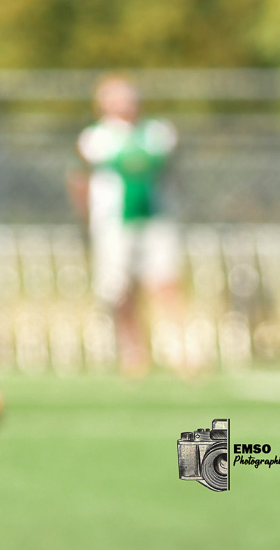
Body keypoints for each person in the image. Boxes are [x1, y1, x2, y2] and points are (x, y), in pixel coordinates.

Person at [78, 74, 185, 375]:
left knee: (165, 283)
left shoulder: (157, 132)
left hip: (155, 218)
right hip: (114, 223)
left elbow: (162, 163)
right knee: (120, 290)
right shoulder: (96, 138)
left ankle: (179, 350)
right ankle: (132, 352)